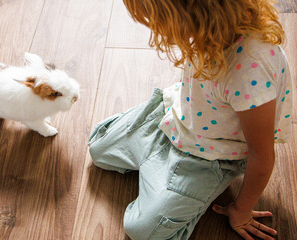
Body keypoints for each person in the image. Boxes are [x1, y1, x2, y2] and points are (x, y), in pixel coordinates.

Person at [88, 0, 292, 239]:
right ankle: (160, 169)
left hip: (208, 156)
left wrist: (242, 209)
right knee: (98, 147)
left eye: (157, 21)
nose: (155, 29)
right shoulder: (215, 28)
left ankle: (173, 178)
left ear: (192, 15)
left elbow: (262, 155)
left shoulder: (251, 72)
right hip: (179, 115)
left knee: (142, 231)